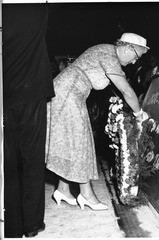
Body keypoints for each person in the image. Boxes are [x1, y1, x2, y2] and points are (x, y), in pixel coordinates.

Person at [46, 33, 149, 211]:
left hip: (69, 94)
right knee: (80, 142)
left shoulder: (107, 53)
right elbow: (127, 91)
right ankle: (86, 194)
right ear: (127, 48)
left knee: (70, 142)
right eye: (136, 56)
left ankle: (63, 189)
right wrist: (139, 113)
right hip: (68, 95)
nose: (134, 62)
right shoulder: (109, 55)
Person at [2, 4, 55, 238]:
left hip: (5, 90)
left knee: (8, 160)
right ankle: (32, 224)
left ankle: (11, 226)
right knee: (32, 159)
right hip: (31, 89)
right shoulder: (36, 8)